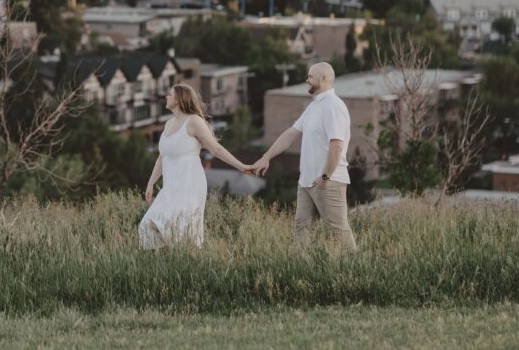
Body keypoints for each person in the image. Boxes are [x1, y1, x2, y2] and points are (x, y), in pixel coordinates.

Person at [250, 62, 358, 251]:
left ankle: (356, 274)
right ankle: (301, 272)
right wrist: (266, 157)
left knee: (338, 232)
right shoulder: (314, 106)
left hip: (328, 181)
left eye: (310, 76)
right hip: (306, 181)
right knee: (301, 230)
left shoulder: (333, 106)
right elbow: (290, 134)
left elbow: (337, 145)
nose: (306, 80)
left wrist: (325, 176)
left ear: (323, 79)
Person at [140, 84, 253, 249]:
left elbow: (216, 149)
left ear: (178, 99)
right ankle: (166, 265)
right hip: (170, 187)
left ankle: (188, 265)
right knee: (148, 225)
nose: (166, 96)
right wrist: (151, 183)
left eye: (169, 94)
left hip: (189, 185)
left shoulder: (194, 122)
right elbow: (162, 157)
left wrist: (241, 166)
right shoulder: (168, 123)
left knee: (180, 231)